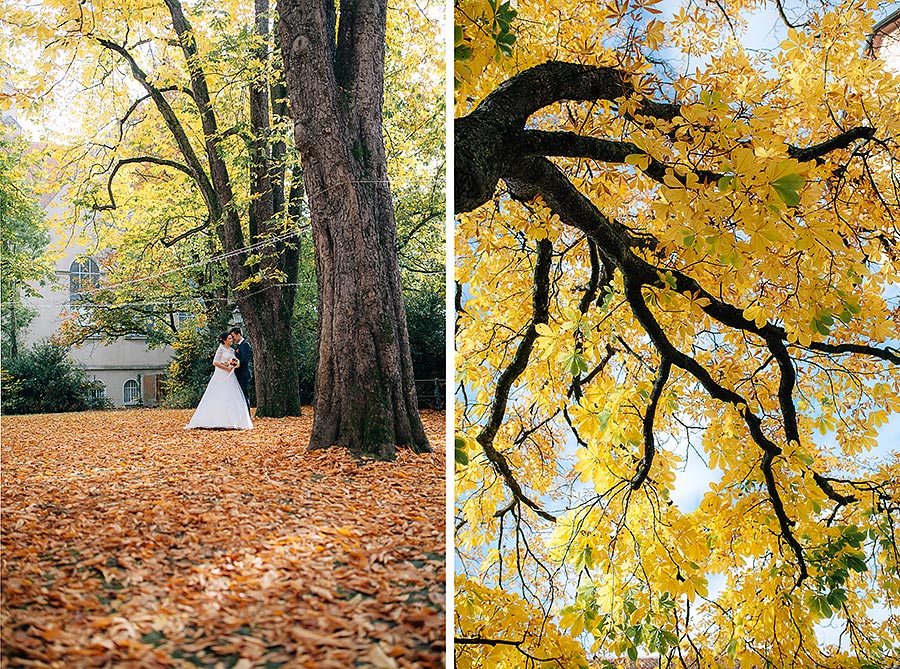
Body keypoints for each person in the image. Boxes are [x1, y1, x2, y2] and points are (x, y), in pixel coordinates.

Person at [185, 331, 253, 430]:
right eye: (229, 338)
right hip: (221, 374)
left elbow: (235, 360)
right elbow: (215, 362)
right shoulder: (221, 349)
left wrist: (232, 365)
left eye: (232, 338)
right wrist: (226, 368)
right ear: (224, 340)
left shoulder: (232, 350)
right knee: (218, 394)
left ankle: (231, 420)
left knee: (231, 396)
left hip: (231, 375)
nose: (231, 340)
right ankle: (214, 419)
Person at [228, 326, 252, 408]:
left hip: (243, 374)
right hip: (238, 374)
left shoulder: (245, 345)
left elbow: (245, 360)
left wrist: (235, 365)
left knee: (244, 395)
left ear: (238, 334)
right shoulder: (238, 346)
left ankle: (247, 415)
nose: (232, 338)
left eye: (233, 336)